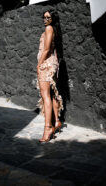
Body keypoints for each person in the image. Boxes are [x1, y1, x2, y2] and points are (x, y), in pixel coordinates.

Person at [37, 9, 64, 142]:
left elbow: (47, 49)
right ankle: (57, 121)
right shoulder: (54, 30)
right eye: (44, 17)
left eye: (48, 17)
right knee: (52, 94)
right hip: (52, 63)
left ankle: (48, 128)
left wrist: (38, 65)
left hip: (46, 64)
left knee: (45, 96)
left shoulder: (49, 29)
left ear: (52, 19)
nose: (45, 19)